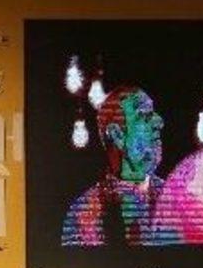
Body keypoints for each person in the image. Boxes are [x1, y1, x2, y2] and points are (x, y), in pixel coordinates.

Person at [62, 86, 165, 247]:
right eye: (144, 115)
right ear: (117, 135)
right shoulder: (83, 214)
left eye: (154, 114)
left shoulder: (177, 199)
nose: (159, 122)